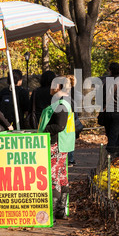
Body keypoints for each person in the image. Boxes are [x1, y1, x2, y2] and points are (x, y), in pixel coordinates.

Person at [38, 76, 75, 220]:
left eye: (52, 85)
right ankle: (61, 210)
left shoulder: (61, 104)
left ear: (58, 87)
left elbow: (59, 126)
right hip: (63, 144)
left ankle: (52, 212)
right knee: (61, 177)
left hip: (56, 145)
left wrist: (44, 130)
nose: (49, 88)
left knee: (54, 177)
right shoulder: (66, 101)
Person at [102, 62, 119, 156]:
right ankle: (113, 154)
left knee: (110, 133)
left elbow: (101, 97)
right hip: (118, 111)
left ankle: (113, 153)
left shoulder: (106, 82)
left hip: (107, 111)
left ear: (111, 71)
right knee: (115, 133)